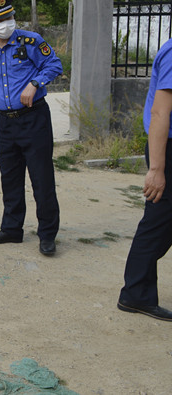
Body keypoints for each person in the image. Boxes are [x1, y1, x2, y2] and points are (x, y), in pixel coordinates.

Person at [0, 0, 63, 256]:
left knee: (41, 178)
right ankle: (12, 229)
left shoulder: (31, 41)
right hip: (6, 122)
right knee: (10, 178)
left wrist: (35, 84)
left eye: (10, 17)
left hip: (34, 119)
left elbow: (54, 64)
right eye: (0, 20)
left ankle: (47, 235)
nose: (7, 23)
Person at [117, 38, 172, 321]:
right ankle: (135, 294)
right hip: (167, 151)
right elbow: (161, 112)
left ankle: (137, 290)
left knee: (162, 224)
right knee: (158, 222)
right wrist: (157, 169)